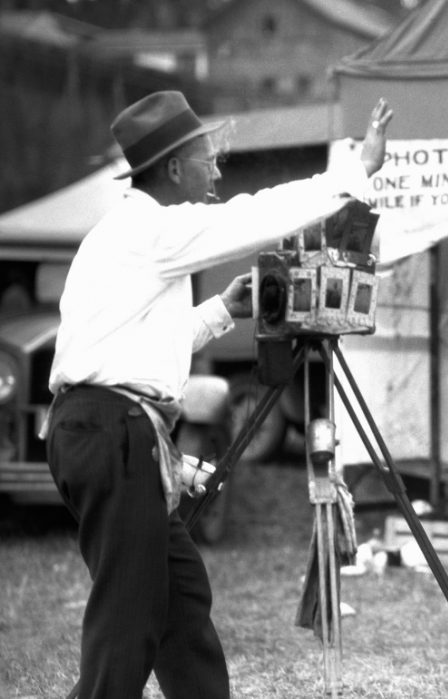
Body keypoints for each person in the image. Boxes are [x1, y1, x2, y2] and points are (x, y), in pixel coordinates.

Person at [44, 90, 393, 699]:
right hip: (111, 434)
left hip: (110, 429)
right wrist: (354, 172)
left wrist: (221, 311)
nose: (217, 171)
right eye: (208, 159)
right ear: (175, 167)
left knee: (180, 599)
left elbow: (136, 350)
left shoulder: (132, 239)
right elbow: (247, 217)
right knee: (127, 621)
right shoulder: (149, 229)